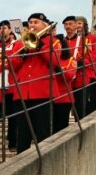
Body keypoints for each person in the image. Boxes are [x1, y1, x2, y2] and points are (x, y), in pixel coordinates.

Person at [9, 13, 61, 153]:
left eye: (36, 22)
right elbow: (12, 66)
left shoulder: (53, 41)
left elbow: (54, 62)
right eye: (30, 22)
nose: (32, 25)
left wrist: (39, 45)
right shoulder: (20, 42)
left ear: (45, 25)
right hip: (23, 93)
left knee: (43, 132)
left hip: (42, 91)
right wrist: (23, 52)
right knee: (23, 133)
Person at [0, 20, 19, 151]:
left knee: (13, 117)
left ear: (10, 30)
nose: (2, 30)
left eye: (5, 28)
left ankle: (13, 142)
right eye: (0, 28)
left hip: (11, 85)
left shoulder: (16, 44)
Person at [76, 16, 96, 116]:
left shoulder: (92, 38)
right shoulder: (74, 39)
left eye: (79, 23)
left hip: (89, 72)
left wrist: (85, 62)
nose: (77, 26)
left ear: (84, 25)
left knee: (85, 101)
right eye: (76, 23)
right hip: (76, 73)